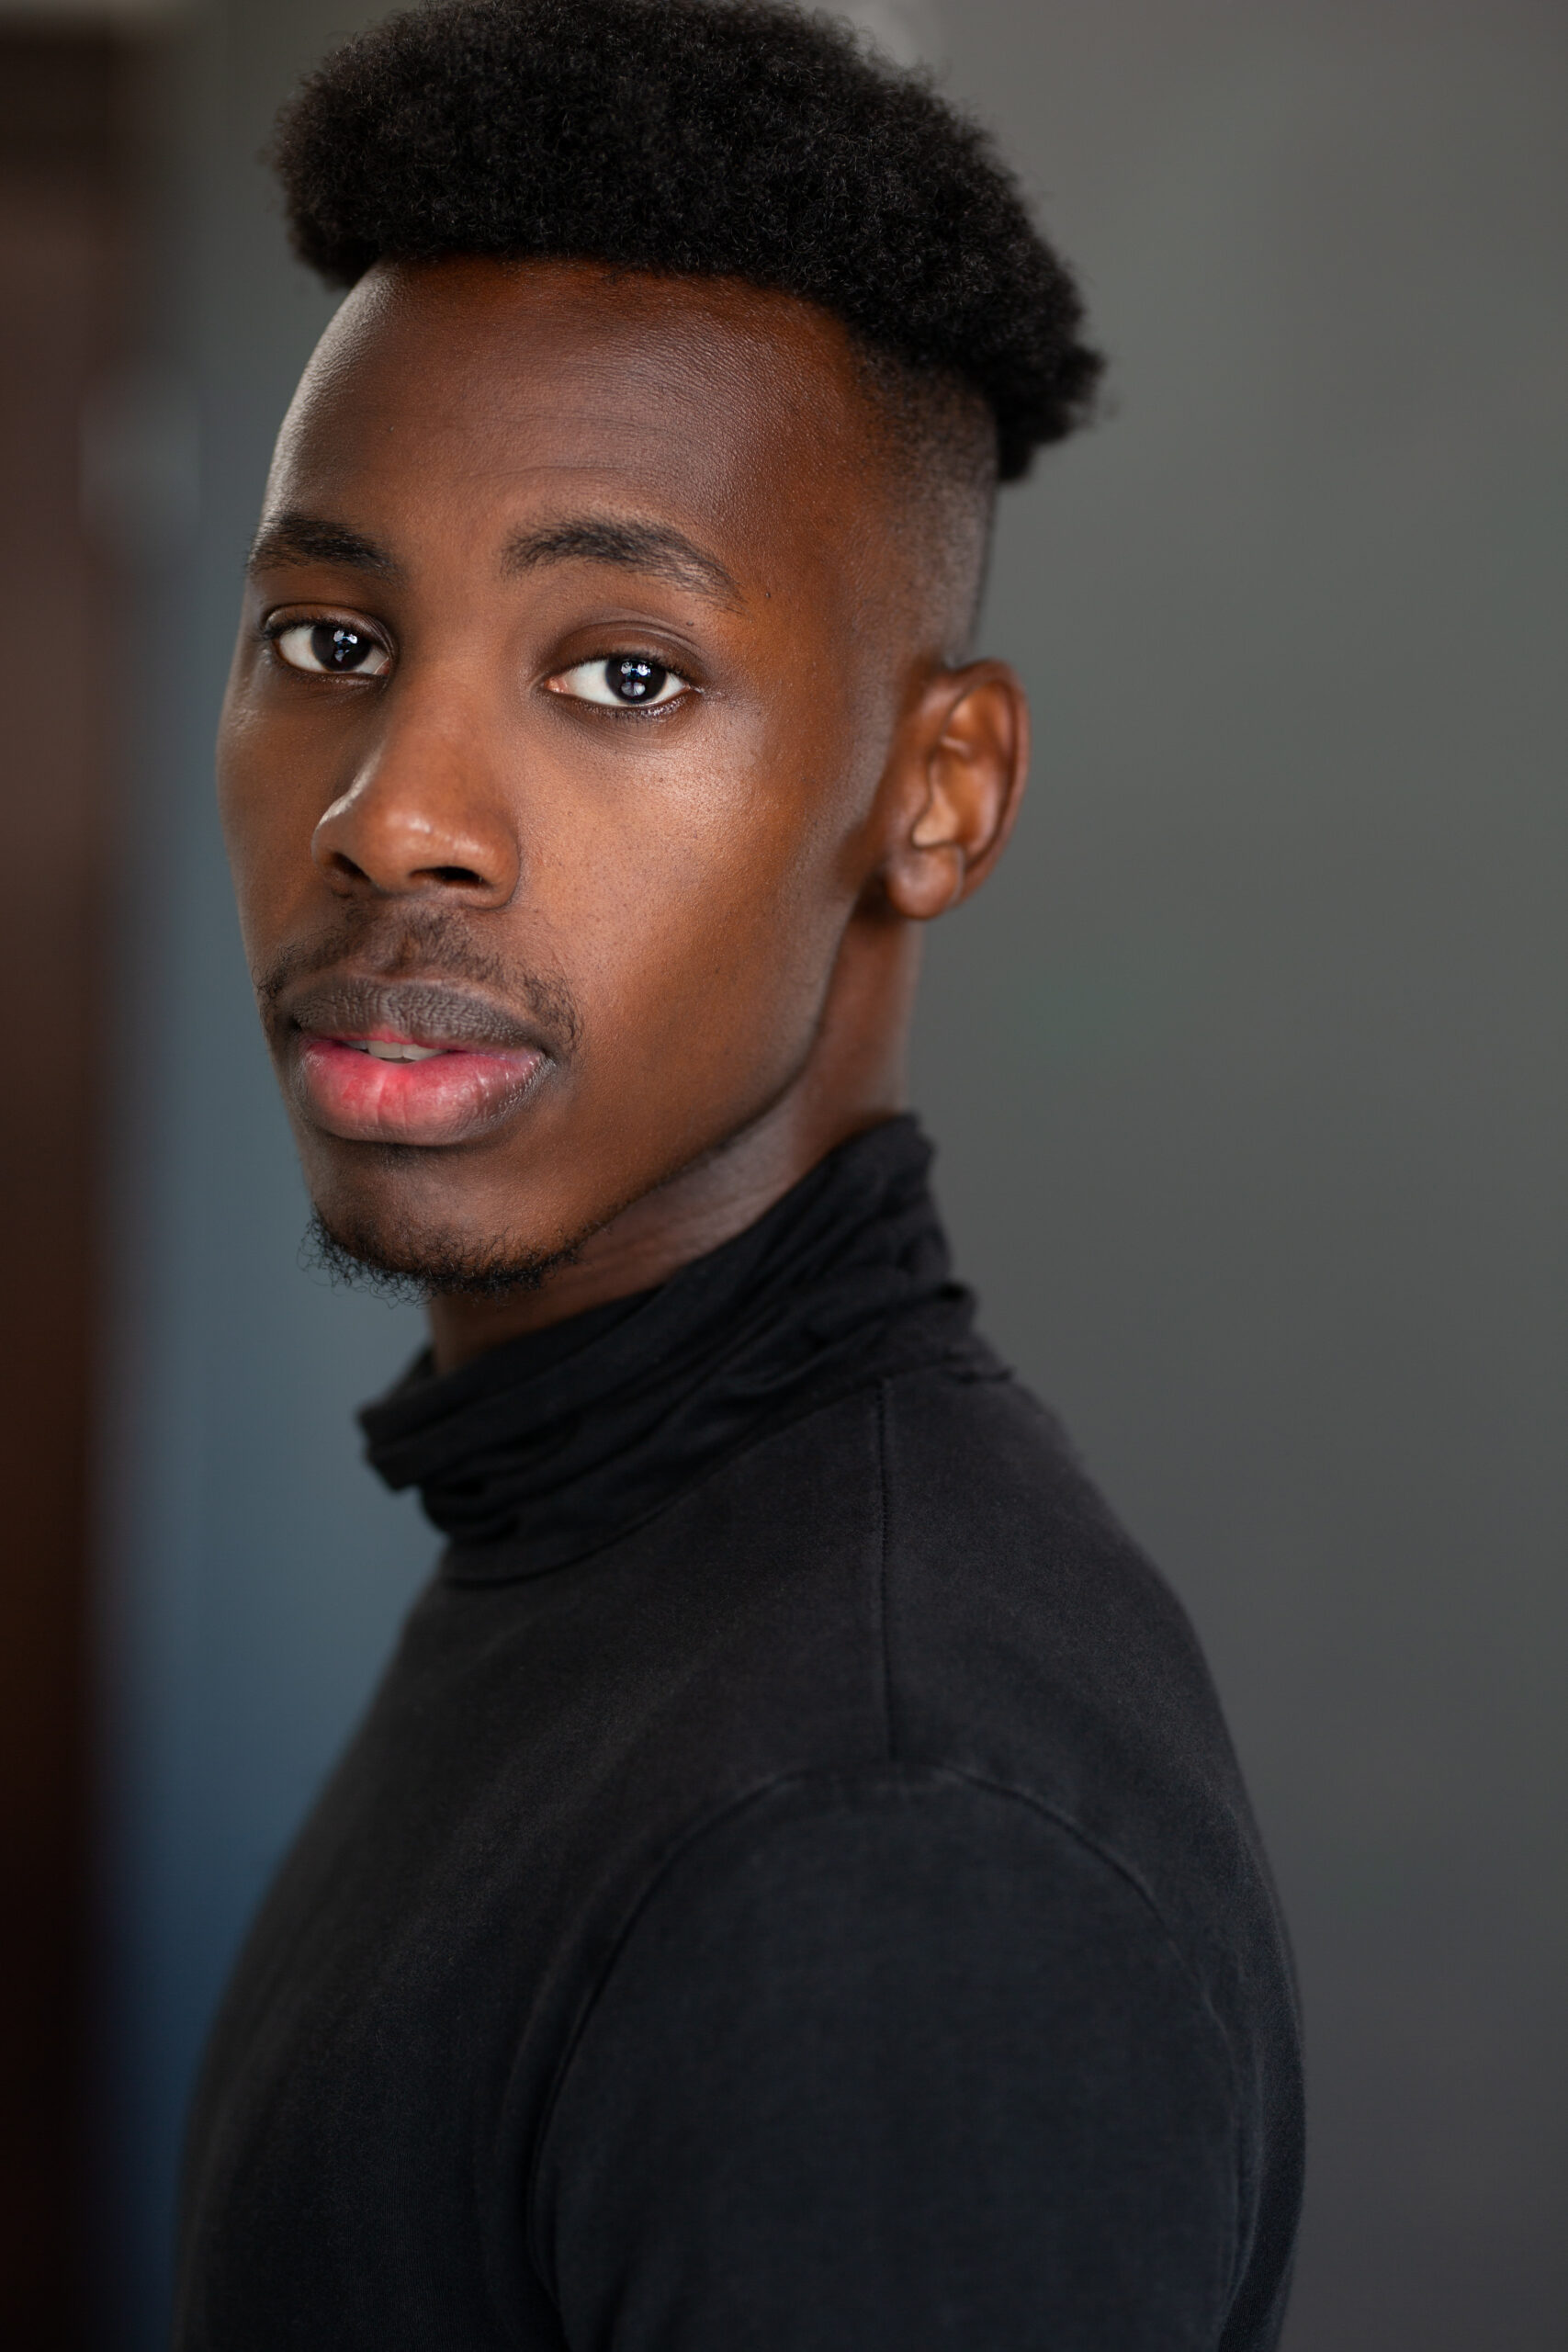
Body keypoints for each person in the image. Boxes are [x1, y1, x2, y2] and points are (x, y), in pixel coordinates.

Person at [175, 2, 1303, 2344]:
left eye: (618, 673)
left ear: (937, 795)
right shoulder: (608, 1565)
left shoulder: (886, 1843)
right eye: (330, 635)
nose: (391, 811)